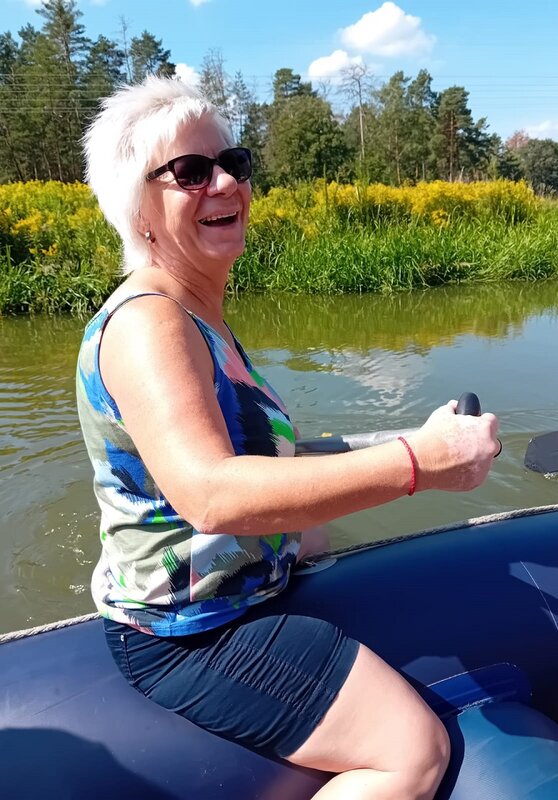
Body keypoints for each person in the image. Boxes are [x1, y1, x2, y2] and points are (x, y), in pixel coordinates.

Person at [76, 75, 500, 800]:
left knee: (318, 537)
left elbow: (267, 458)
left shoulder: (198, 315)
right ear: (137, 206)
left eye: (233, 163)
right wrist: (415, 466)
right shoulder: (149, 322)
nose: (224, 184)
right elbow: (209, 492)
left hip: (242, 591)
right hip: (189, 632)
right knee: (412, 751)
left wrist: (415, 436)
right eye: (190, 171)